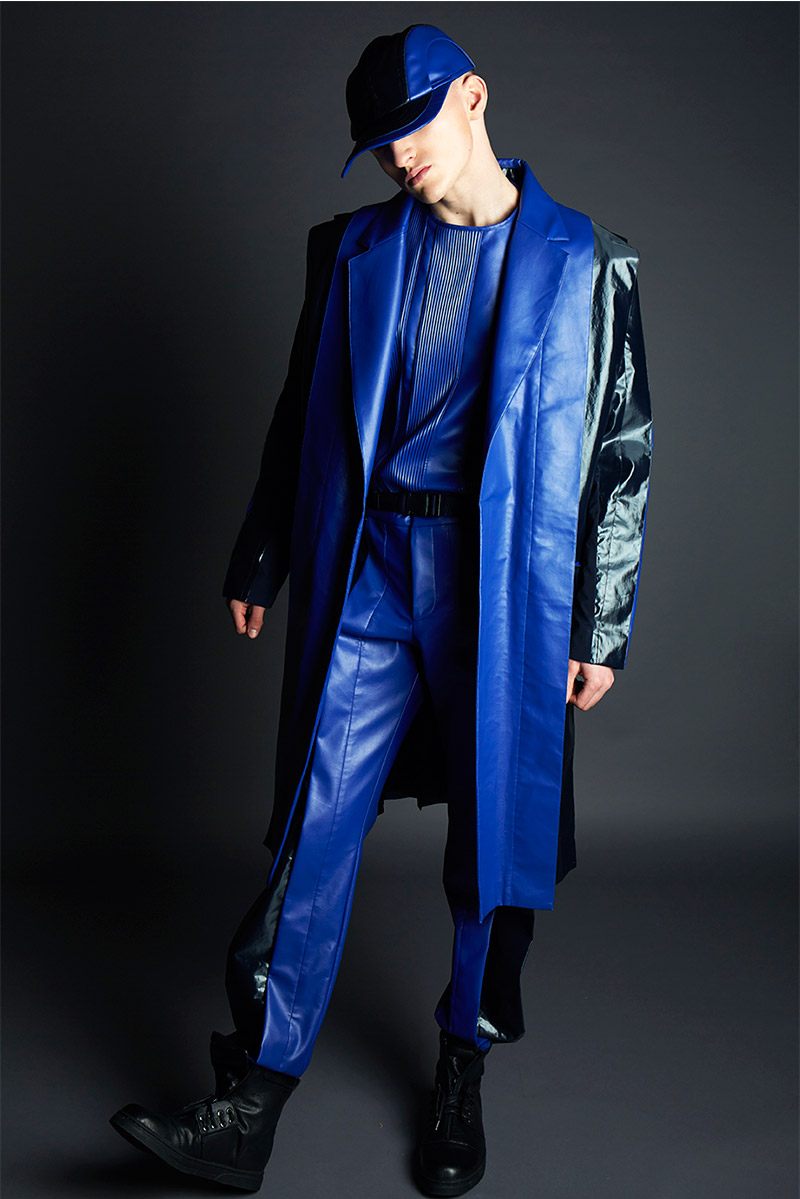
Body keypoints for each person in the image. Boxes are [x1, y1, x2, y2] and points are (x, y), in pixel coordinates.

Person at [110, 23, 653, 1197]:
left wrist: (598, 623)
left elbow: (618, 454)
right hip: (368, 564)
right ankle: (250, 1101)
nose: (398, 154)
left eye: (411, 125)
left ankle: (462, 1058)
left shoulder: (586, 261)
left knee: (492, 837)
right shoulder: (350, 249)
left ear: (473, 96)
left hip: (501, 583)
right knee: (313, 823)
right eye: (378, 141)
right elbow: (301, 407)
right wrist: (262, 553)